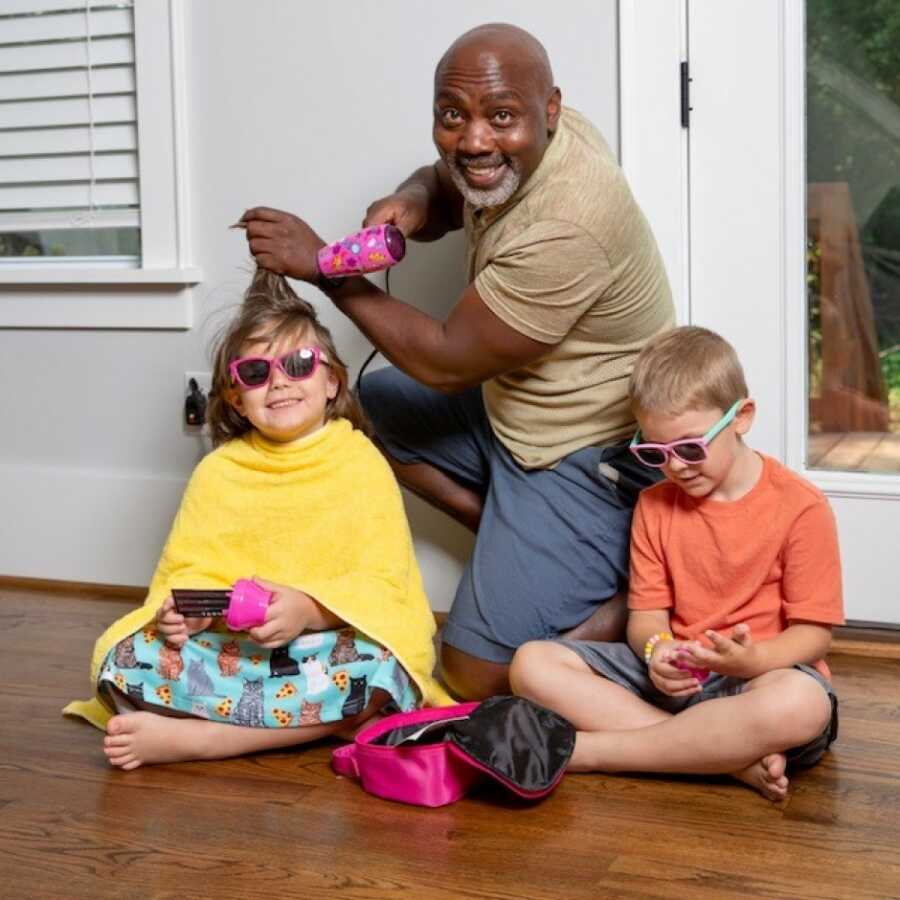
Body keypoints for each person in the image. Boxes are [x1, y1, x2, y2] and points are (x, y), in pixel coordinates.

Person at [238, 23, 674, 699]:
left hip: (583, 451)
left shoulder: (571, 221)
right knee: (357, 411)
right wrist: (412, 204)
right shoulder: (521, 141)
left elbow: (444, 361)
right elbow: (450, 182)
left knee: (472, 676)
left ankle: (624, 598)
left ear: (550, 111)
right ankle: (519, 532)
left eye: (500, 116)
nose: (473, 140)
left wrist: (324, 268)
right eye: (452, 116)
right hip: (514, 408)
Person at [64, 269, 450, 769]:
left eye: (299, 363)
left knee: (384, 667)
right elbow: (191, 570)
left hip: (323, 648)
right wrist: (190, 614)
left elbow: (384, 586)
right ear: (235, 398)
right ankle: (300, 726)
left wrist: (310, 610)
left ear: (332, 380)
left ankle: (204, 739)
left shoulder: (361, 464)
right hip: (235, 652)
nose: (280, 382)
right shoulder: (219, 472)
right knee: (124, 657)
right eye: (255, 373)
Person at [508, 326, 844, 801]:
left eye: (689, 448)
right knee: (531, 664)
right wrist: (657, 651)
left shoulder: (801, 506)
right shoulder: (654, 505)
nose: (676, 467)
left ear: (742, 417)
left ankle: (594, 752)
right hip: (681, 682)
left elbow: (815, 635)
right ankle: (723, 761)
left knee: (802, 705)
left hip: (762, 679)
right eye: (655, 453)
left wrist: (754, 660)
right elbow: (647, 620)